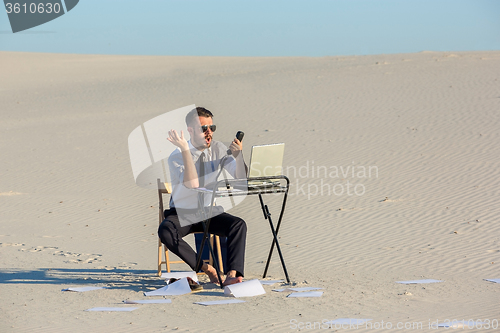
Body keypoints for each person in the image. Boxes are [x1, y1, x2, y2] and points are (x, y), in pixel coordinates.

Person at [158, 107, 247, 286]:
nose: (209, 132)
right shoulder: (176, 156)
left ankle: (232, 273)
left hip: (207, 211)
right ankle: (205, 268)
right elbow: (192, 184)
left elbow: (241, 178)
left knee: (238, 225)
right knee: (165, 231)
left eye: (211, 128)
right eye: (203, 128)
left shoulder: (218, 149)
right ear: (190, 130)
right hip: (182, 213)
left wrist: (238, 157)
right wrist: (185, 149)